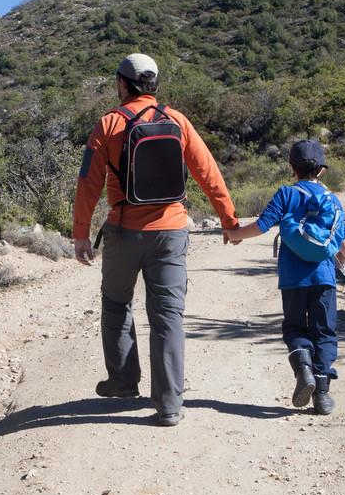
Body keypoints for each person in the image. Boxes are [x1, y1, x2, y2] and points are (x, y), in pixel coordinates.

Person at [72, 53, 239, 427]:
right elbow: (208, 172)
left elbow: (88, 184)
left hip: (124, 230)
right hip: (172, 231)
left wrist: (81, 233)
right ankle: (169, 405)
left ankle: (122, 381)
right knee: (167, 317)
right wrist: (228, 219)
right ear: (154, 83)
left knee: (117, 304)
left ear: (122, 83)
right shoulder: (176, 120)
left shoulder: (109, 124)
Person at [223, 139, 345, 415]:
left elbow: (261, 226)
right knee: (324, 332)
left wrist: (233, 235)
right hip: (324, 279)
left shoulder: (286, 194)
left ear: (291, 168)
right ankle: (323, 395)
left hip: (293, 280)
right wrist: (338, 262)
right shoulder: (333, 200)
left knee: (295, 328)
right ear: (322, 171)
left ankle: (302, 368)